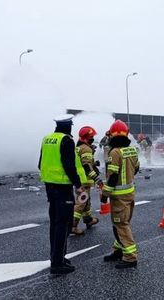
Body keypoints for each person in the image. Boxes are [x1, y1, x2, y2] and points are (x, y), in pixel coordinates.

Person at [38, 114, 83, 275]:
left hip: (49, 186)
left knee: (55, 223)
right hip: (63, 188)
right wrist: (78, 184)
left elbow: (40, 162)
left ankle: (57, 257)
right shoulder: (67, 140)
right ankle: (57, 263)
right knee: (63, 224)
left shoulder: (47, 139)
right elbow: (69, 165)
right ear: (68, 126)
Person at [101, 120, 140, 269]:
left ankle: (130, 257)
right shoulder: (132, 150)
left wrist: (105, 194)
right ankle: (118, 250)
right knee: (120, 223)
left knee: (121, 224)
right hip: (129, 193)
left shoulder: (115, 152)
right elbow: (136, 168)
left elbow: (112, 176)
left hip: (118, 196)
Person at [72, 126, 101, 235]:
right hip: (84, 180)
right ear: (87, 138)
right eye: (91, 137)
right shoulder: (86, 149)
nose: (93, 138)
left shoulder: (79, 148)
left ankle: (88, 220)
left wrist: (93, 163)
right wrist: (97, 179)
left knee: (86, 202)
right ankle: (73, 226)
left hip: (80, 179)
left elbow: (84, 163)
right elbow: (87, 167)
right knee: (81, 202)